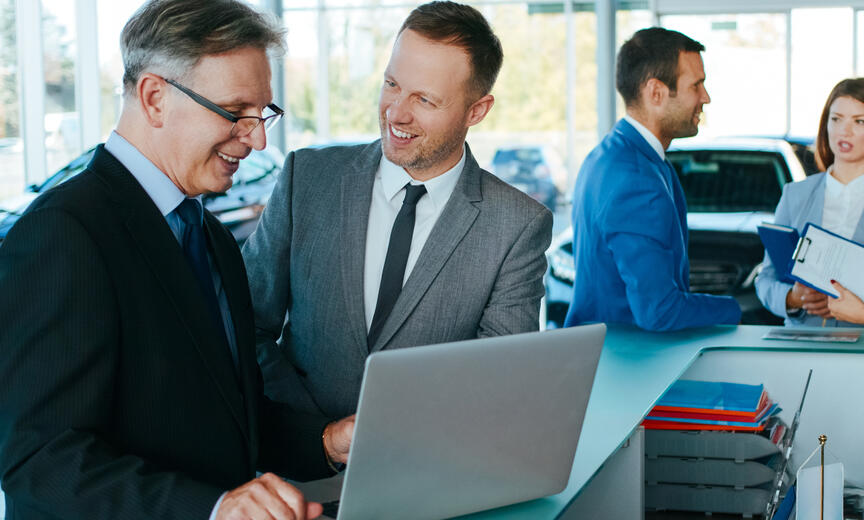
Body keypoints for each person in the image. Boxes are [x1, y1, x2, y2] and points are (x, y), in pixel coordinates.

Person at [0, 2, 354, 519]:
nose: (257, 138)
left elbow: (229, 415)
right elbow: (40, 460)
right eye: (236, 112)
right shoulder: (64, 231)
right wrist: (211, 509)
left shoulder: (209, 235)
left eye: (263, 114)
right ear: (155, 98)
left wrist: (326, 441)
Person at [241, 0, 553, 419]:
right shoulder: (306, 178)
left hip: (429, 471)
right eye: (392, 84)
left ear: (476, 111)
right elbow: (246, 327)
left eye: (425, 99)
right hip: (299, 466)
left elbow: (498, 381)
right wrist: (313, 440)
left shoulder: (516, 225)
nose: (396, 112)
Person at [564, 27, 741, 331]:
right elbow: (660, 311)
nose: (705, 98)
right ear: (656, 92)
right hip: (627, 364)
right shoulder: (636, 179)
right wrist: (735, 310)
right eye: (696, 86)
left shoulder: (609, 155)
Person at [755, 78, 864, 327]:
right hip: (805, 345)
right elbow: (765, 279)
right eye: (836, 119)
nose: (844, 131)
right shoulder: (794, 195)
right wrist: (793, 299)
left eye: (859, 121)